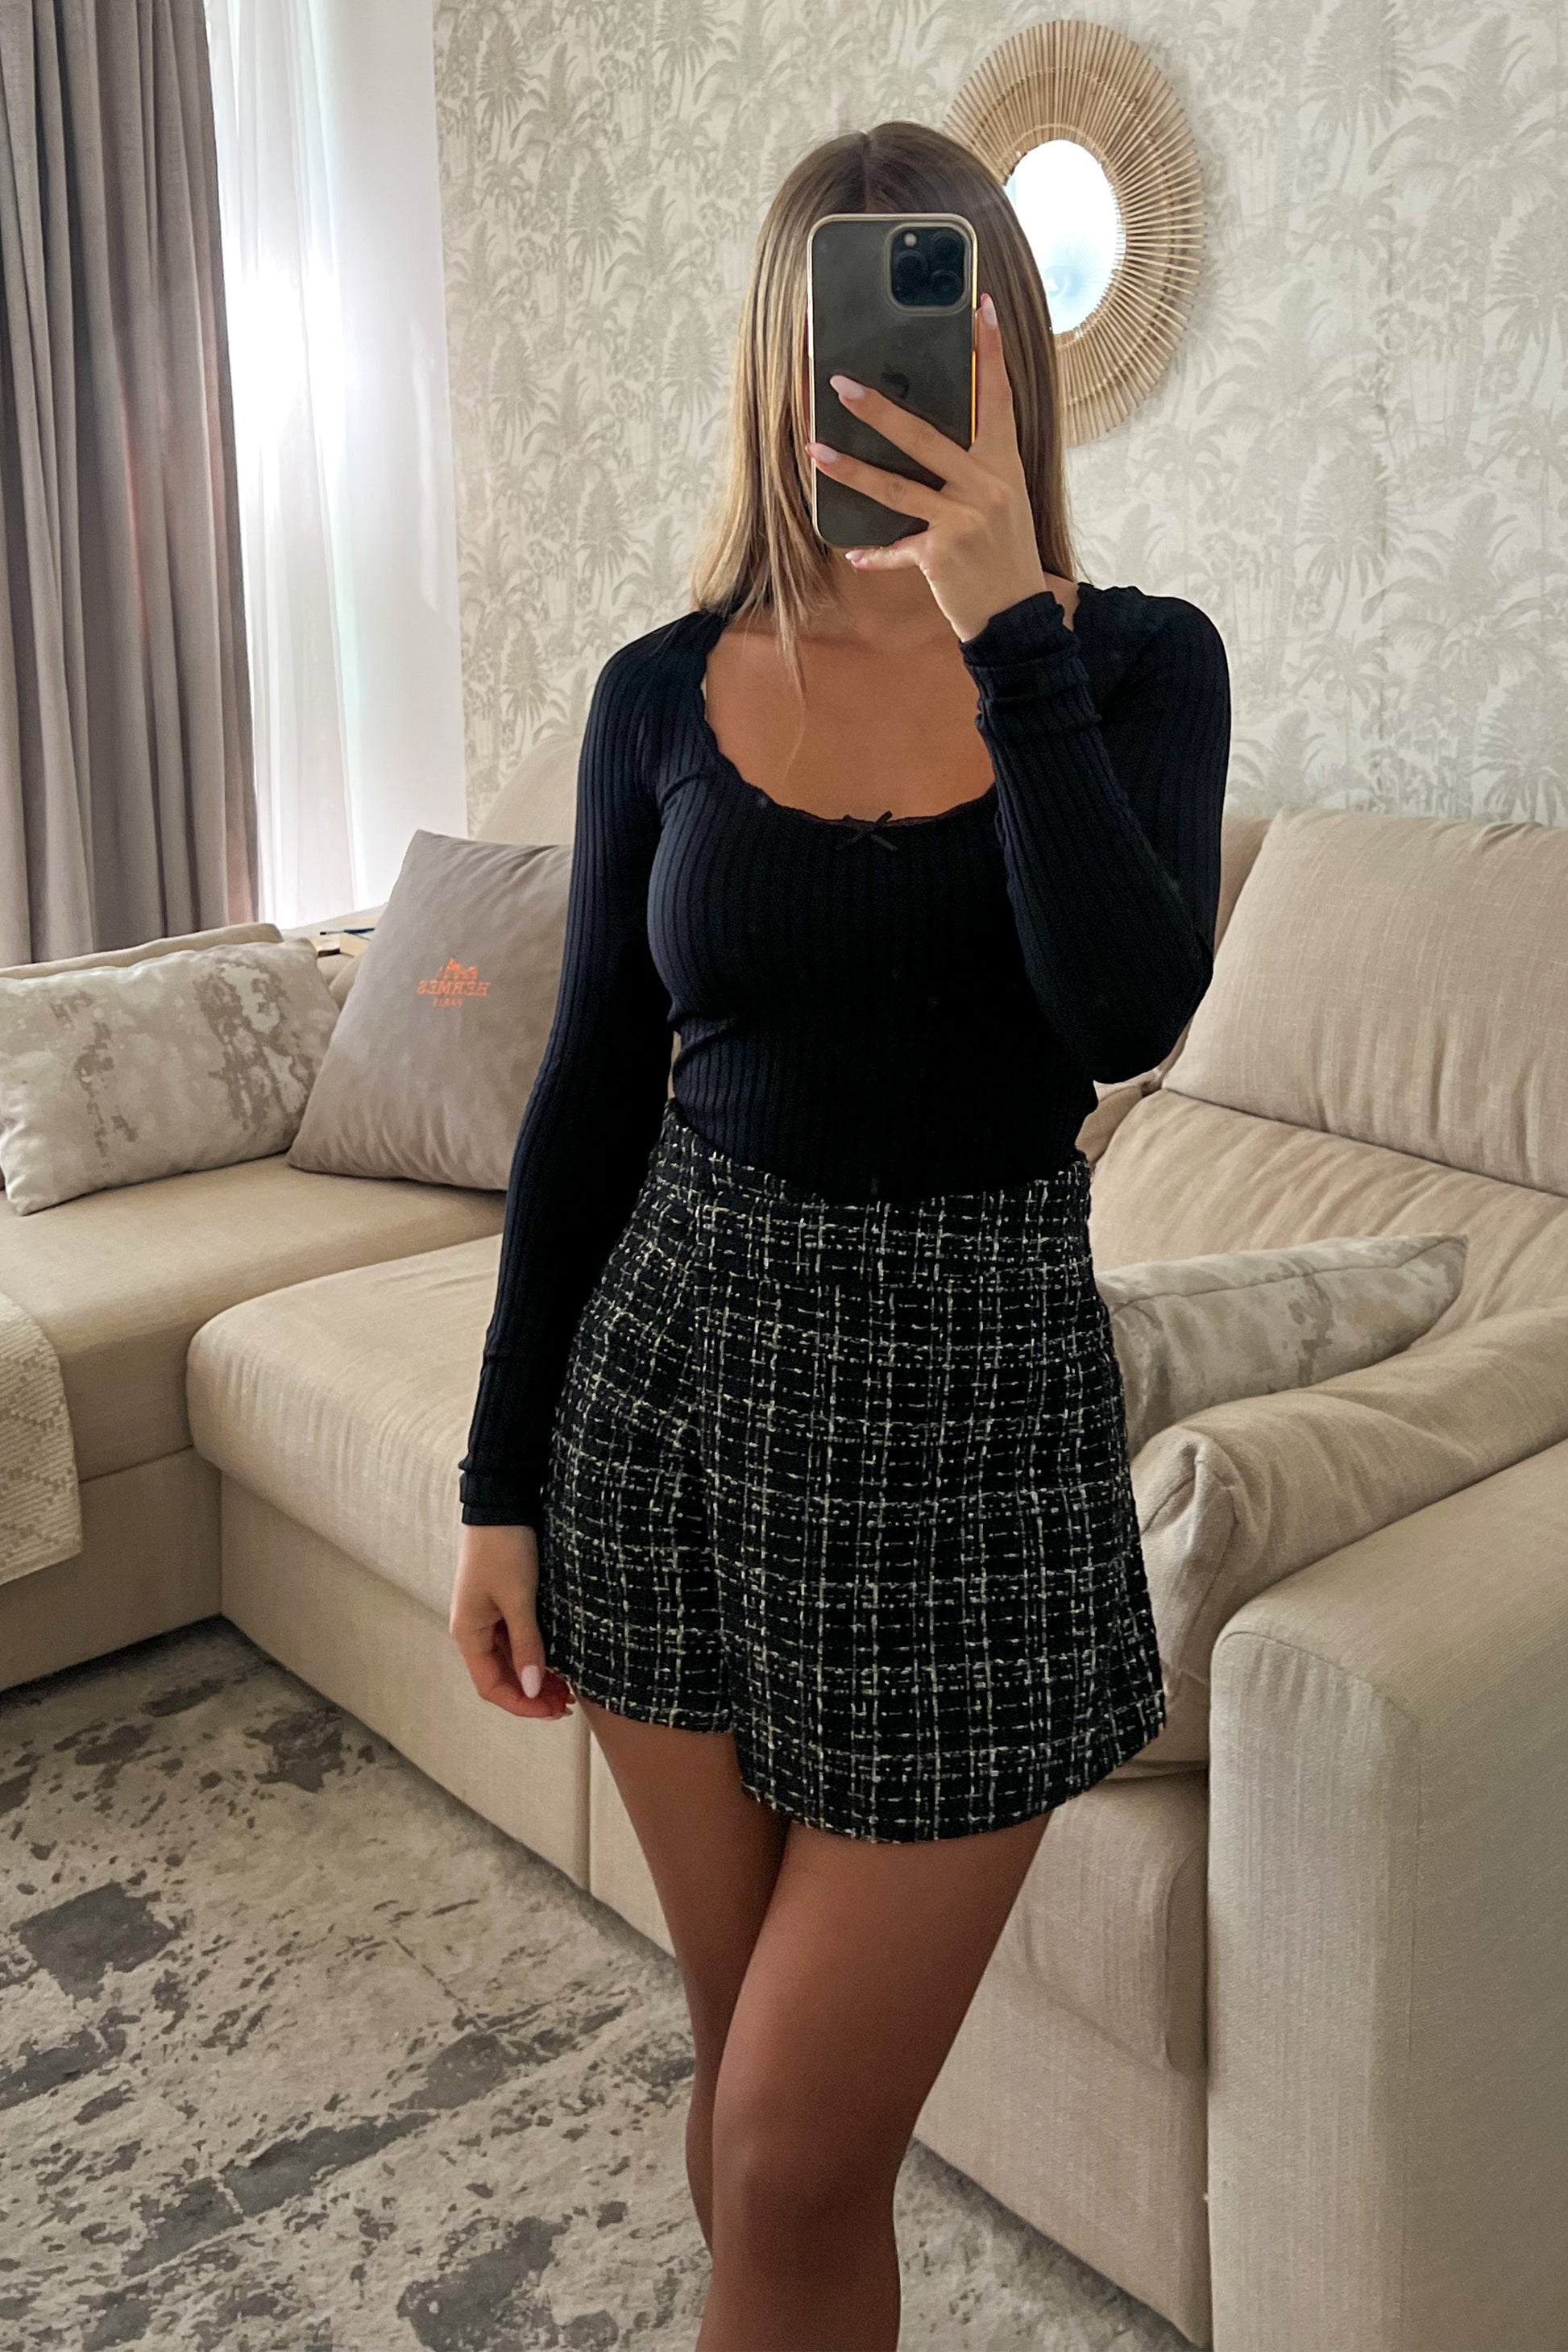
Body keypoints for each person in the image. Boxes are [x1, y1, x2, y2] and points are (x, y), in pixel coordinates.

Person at [450, 118, 1230, 2352]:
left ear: (1007, 357)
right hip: (670, 1409)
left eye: (935, 312)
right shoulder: (657, 689)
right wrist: (501, 1484)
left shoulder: (1134, 666)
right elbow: (590, 1092)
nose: (886, 369)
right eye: (846, 319)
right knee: (754, 2101)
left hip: (971, 1442)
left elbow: (1123, 1010)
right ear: (779, 358)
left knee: (796, 2144)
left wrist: (1006, 634)